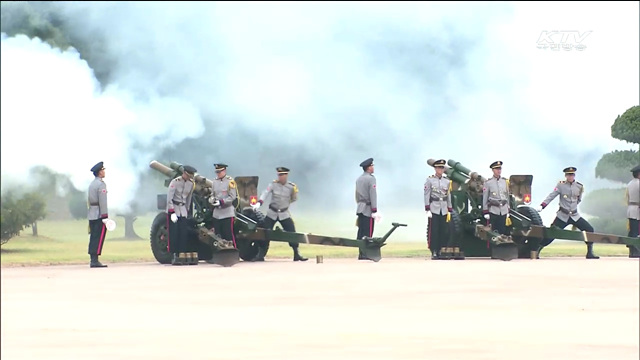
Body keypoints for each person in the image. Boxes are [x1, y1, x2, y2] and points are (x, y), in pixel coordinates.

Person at [537, 167, 599, 259]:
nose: (571, 176)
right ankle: (537, 250)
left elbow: (578, 200)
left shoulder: (579, 186)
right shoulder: (560, 185)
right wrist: (542, 205)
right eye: (569, 175)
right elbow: (551, 196)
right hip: (563, 215)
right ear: (566, 176)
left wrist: (573, 208)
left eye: (572, 174)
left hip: (574, 215)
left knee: (589, 229)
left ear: (574, 175)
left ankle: (590, 252)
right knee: (552, 233)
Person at [251, 167, 308, 262]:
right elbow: (265, 193)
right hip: (272, 212)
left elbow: (294, 198)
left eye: (282, 175)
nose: (280, 177)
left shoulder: (291, 187)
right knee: (264, 232)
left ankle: (296, 253)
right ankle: (261, 254)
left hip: (284, 213)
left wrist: (285, 204)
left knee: (292, 231)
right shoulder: (273, 184)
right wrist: (259, 203)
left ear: (286, 175)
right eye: (279, 175)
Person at [166, 165, 197, 265]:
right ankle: (174, 255)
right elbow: (169, 198)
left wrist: (187, 211)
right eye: (188, 175)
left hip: (183, 210)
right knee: (174, 233)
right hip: (174, 208)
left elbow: (188, 198)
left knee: (183, 233)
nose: (189, 177)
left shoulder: (191, 184)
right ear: (184, 173)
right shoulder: (175, 182)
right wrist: (171, 212)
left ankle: (182, 255)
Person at [424, 159, 453, 260]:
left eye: (442, 168)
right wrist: (427, 208)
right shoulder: (430, 180)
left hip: (443, 208)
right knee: (434, 230)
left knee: (443, 230)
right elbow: (427, 194)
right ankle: (434, 250)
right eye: (438, 168)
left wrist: (450, 208)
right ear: (435, 169)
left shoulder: (447, 181)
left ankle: (441, 250)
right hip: (434, 207)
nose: (440, 169)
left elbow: (448, 195)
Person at [355, 157, 379, 260]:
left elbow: (356, 194)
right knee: (368, 232)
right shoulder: (371, 178)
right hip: (368, 208)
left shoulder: (359, 179)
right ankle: (365, 253)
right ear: (368, 168)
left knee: (361, 232)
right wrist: (374, 210)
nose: (373, 167)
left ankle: (361, 253)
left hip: (360, 207)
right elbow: (372, 194)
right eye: (372, 166)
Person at [209, 164, 238, 248]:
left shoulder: (230, 181)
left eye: (219, 172)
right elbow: (212, 194)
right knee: (217, 236)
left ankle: (232, 251)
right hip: (217, 213)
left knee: (228, 234)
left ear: (224, 171)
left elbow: (233, 197)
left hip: (227, 212)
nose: (218, 174)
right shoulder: (214, 181)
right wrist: (212, 199)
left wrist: (222, 202)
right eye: (216, 172)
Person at [87, 161, 109, 268]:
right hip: (99, 214)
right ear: (99, 172)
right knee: (99, 237)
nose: (104, 172)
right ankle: (95, 260)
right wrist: (105, 216)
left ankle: (93, 258)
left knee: (93, 237)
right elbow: (103, 201)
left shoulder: (92, 184)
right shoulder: (101, 184)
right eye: (103, 170)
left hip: (92, 213)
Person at [482, 161, 511, 236]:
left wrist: (508, 209)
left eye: (500, 169)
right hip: (494, 210)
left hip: (503, 210)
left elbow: (507, 196)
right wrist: (485, 211)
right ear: (493, 170)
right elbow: (485, 198)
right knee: (493, 231)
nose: (499, 171)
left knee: (502, 230)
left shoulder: (505, 182)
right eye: (497, 169)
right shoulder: (488, 183)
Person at [626, 164, 640, 257]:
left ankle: (632, 251)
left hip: (631, 209)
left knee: (633, 231)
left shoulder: (630, 183)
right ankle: (635, 251)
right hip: (637, 210)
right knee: (636, 232)